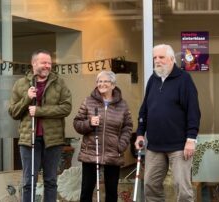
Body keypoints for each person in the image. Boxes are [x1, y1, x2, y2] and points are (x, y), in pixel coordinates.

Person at [135, 44, 201, 202]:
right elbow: (144, 110)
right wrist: (139, 134)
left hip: (179, 146)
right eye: (155, 58)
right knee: (150, 186)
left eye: (161, 57)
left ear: (172, 59)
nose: (157, 61)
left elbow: (194, 112)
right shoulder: (153, 79)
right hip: (155, 146)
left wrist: (191, 140)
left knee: (182, 189)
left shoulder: (184, 79)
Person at [8, 49, 72, 202]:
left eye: (50, 63)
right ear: (34, 63)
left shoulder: (59, 83)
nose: (48, 66)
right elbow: (13, 112)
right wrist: (26, 99)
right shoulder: (21, 84)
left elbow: (66, 107)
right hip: (28, 140)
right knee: (29, 182)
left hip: (53, 140)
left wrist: (40, 111)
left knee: (50, 181)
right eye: (44, 62)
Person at [73, 70, 133, 202]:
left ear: (113, 85)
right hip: (91, 152)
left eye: (106, 81)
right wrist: (89, 123)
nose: (102, 84)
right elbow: (77, 123)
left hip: (113, 152)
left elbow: (128, 126)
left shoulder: (122, 105)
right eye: (99, 81)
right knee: (87, 189)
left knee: (111, 191)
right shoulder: (88, 101)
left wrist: (121, 145)